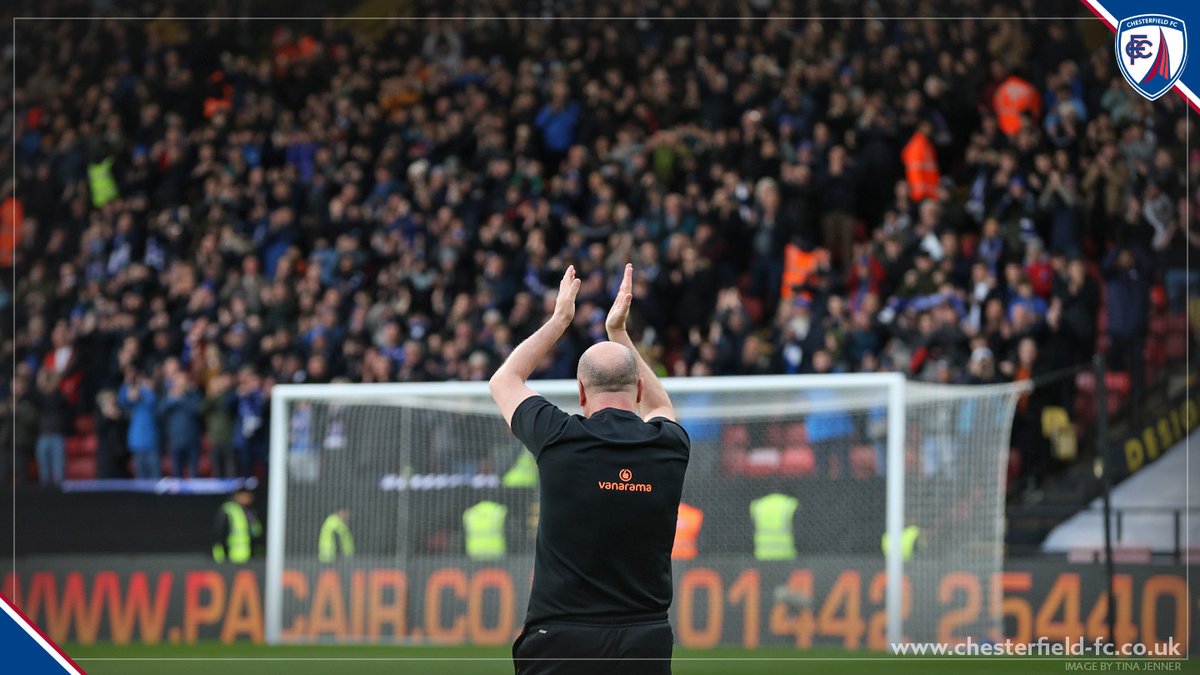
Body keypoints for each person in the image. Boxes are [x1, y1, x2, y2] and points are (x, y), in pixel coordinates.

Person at [490, 264, 690, 675]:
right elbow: (661, 407)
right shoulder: (669, 445)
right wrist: (620, 333)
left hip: (563, 641)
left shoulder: (558, 435)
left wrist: (560, 319)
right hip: (645, 641)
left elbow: (505, 379)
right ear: (636, 390)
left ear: (581, 393)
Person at [212, 487, 263, 564]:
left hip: (248, 556)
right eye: (245, 496)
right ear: (237, 496)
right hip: (230, 556)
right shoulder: (228, 510)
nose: (248, 498)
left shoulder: (250, 511)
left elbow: (256, 533)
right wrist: (220, 555)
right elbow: (219, 533)